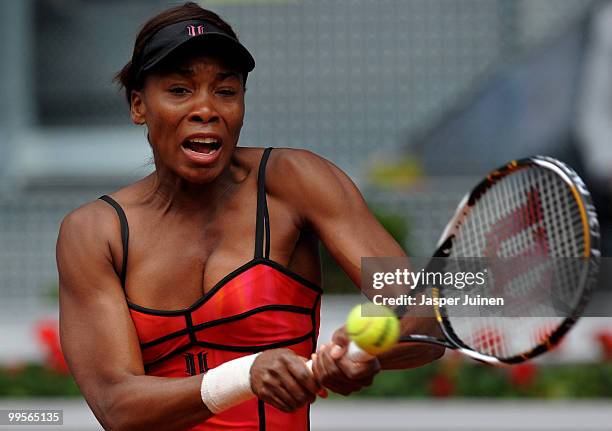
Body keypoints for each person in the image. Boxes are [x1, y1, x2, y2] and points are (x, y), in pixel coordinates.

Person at [56, 3, 444, 430]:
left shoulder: (296, 182)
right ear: (138, 106)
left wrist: (367, 353)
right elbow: (117, 406)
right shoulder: (94, 232)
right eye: (180, 90)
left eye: (226, 91)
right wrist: (246, 374)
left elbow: (423, 317)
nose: (207, 109)